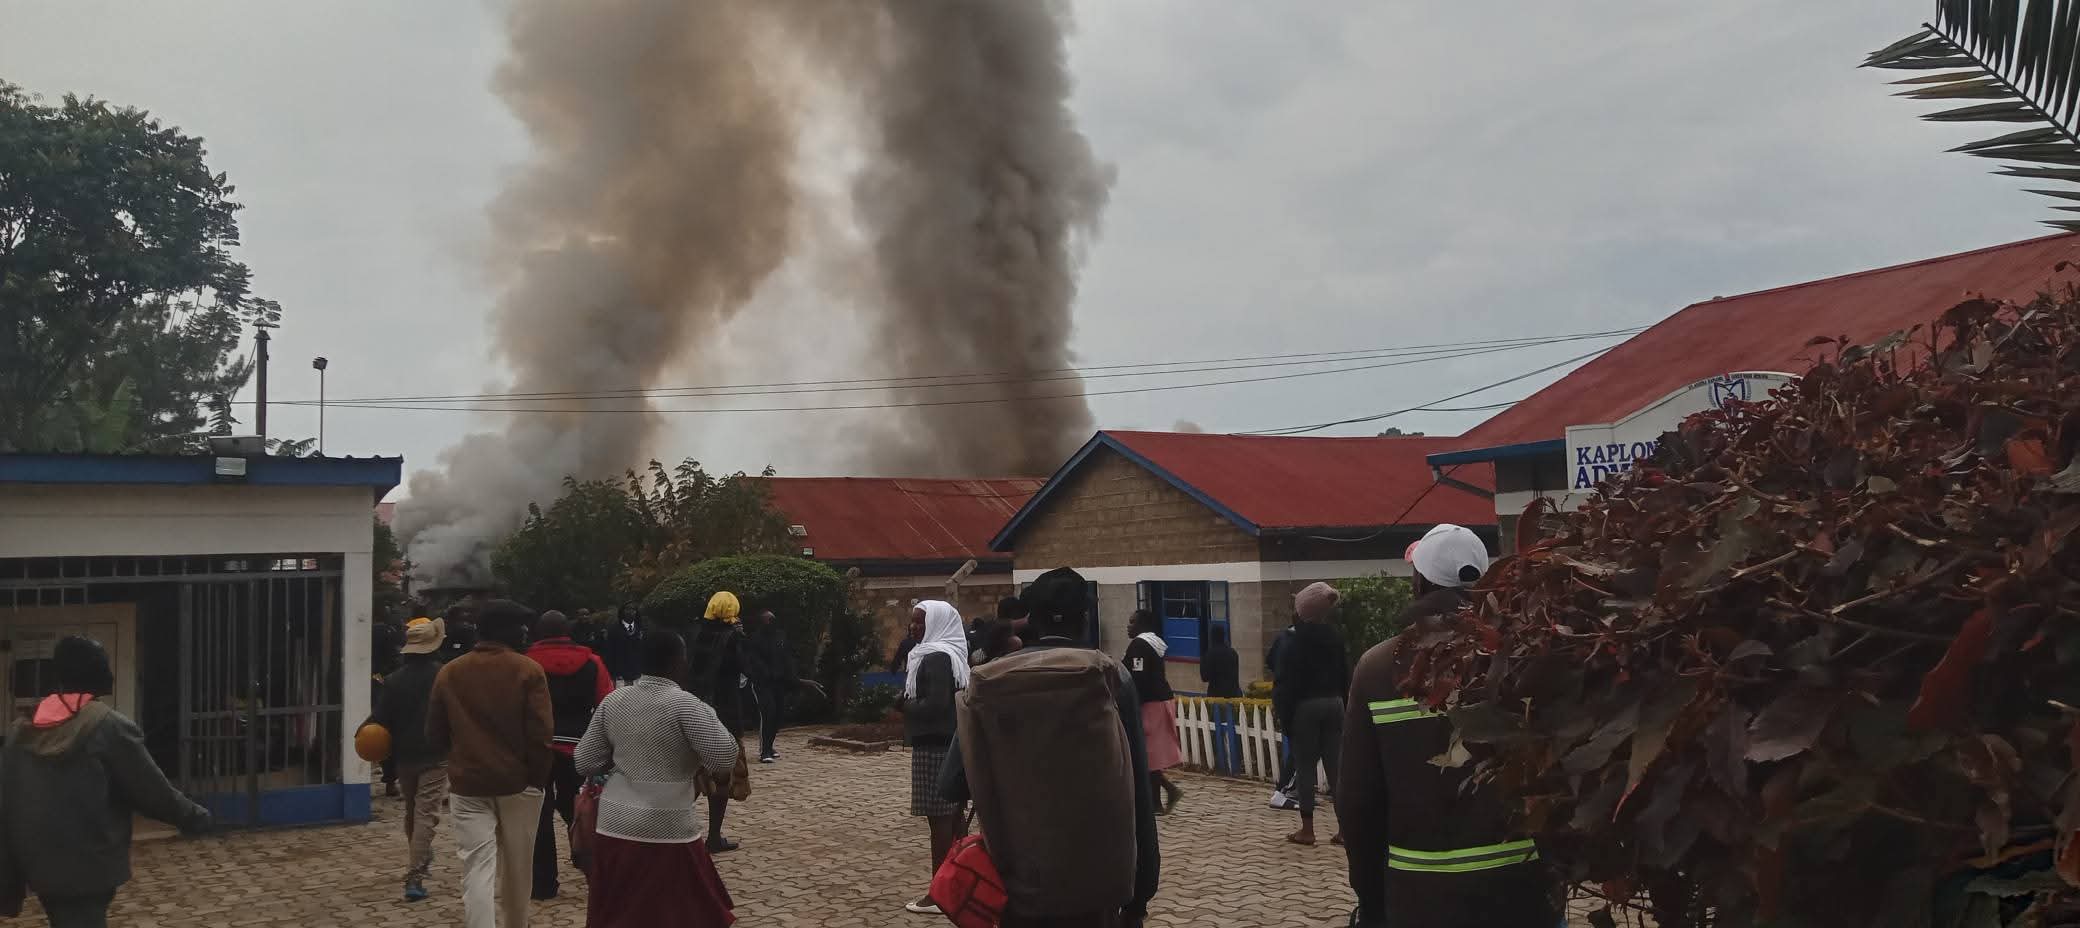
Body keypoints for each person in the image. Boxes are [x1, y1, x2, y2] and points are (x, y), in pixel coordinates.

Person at [1339, 525, 1554, 928]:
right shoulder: (1522, 655)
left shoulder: (1378, 668)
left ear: (1418, 581)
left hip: (1418, 894)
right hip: (1520, 890)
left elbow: (1358, 801)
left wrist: (1370, 898)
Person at [939, 567, 1160, 928]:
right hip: (1098, 886)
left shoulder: (991, 681)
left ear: (1030, 621)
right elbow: (1138, 791)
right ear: (1086, 619)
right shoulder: (1111, 677)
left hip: (1017, 883)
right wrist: (1140, 896)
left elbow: (951, 784)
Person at [0, 637, 211, 928]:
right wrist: (195, 817)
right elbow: (151, 791)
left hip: (39, 867)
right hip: (89, 866)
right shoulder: (109, 727)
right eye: (103, 666)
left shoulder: (20, 731)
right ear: (93, 673)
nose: (110, 674)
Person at [575, 629, 739, 928]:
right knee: (679, 914)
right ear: (679, 662)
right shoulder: (686, 705)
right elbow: (724, 757)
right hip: (668, 825)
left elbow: (584, 760)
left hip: (614, 823)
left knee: (620, 914)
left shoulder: (614, 701)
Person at [427, 599, 555, 928]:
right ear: (503, 630)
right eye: (519, 626)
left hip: (468, 785)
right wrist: (537, 780)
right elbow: (541, 735)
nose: (525, 632)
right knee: (518, 869)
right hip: (519, 785)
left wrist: (457, 761)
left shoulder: (449, 672)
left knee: (476, 867)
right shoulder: (528, 670)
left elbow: (434, 733)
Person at [525, 610, 613, 901]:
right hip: (579, 745)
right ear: (569, 631)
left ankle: (544, 885)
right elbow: (606, 703)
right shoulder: (592, 662)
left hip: (537, 748)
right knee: (579, 811)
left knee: (539, 815)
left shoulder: (525, 664)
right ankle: (593, 870)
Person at [900, 601, 970, 916]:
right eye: (912, 622)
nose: (914, 627)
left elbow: (936, 706)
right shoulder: (943, 653)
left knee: (940, 820)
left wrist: (904, 705)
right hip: (947, 743)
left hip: (934, 746)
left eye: (919, 622)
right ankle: (963, 884)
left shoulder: (936, 657)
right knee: (952, 818)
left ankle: (940, 894)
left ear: (938, 623)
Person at [373, 617, 450, 902]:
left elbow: (380, 720)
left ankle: (419, 851)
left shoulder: (393, 680)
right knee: (426, 812)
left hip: (404, 756)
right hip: (436, 754)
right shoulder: (444, 675)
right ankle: (415, 875)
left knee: (412, 809)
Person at [1277, 582, 1349, 847]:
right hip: (1335, 703)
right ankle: (1344, 830)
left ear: (1302, 610)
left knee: (1305, 767)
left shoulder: (1294, 641)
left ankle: (1307, 830)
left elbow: (1286, 684)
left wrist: (1286, 719)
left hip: (1306, 706)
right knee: (1336, 769)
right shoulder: (1336, 637)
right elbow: (1345, 675)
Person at [685, 591, 754, 853]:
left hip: (694, 709)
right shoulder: (733, 638)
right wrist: (743, 638)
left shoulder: (696, 634)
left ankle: (675, 830)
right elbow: (749, 668)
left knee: (690, 773)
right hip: (725, 712)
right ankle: (714, 836)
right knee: (723, 776)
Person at [1124, 610, 1184, 815]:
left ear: (1141, 625)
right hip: (1161, 699)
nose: (1128, 626)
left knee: (1148, 752)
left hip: (1151, 703)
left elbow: (1138, 678)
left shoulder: (1139, 645)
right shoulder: (1154, 643)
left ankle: (1156, 803)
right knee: (1150, 752)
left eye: (1132, 622)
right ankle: (1167, 791)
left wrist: (1132, 704)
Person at [746, 609, 794, 764]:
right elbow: (754, 660)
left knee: (779, 714)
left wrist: (790, 675)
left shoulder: (780, 636)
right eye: (767, 620)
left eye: (772, 619)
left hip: (779, 682)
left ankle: (770, 745)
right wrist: (766, 673)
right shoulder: (756, 639)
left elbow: (787, 656)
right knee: (768, 713)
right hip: (763, 683)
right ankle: (764, 750)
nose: (770, 622)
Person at [1265, 618, 1301, 811]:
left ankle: (1294, 789)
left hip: (1281, 694)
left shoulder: (1282, 637)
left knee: (1300, 745)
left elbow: (1269, 661)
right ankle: (1282, 791)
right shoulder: (1298, 641)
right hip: (1293, 699)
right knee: (1300, 746)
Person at [372, 617, 406, 798]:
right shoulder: (392, 636)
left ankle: (391, 780)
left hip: (379, 686)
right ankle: (394, 780)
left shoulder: (373, 632)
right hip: (392, 688)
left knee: (386, 735)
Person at [599, 602, 645, 685]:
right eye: (627, 609)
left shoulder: (642, 628)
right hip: (619, 671)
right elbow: (610, 650)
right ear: (622, 611)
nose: (630, 611)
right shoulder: (614, 628)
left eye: (633, 609)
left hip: (637, 670)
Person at [1199, 625, 1243, 699]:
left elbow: (1204, 677)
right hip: (1234, 695)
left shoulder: (1210, 654)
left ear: (1212, 637)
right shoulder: (1233, 652)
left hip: (1217, 697)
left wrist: (1203, 659)